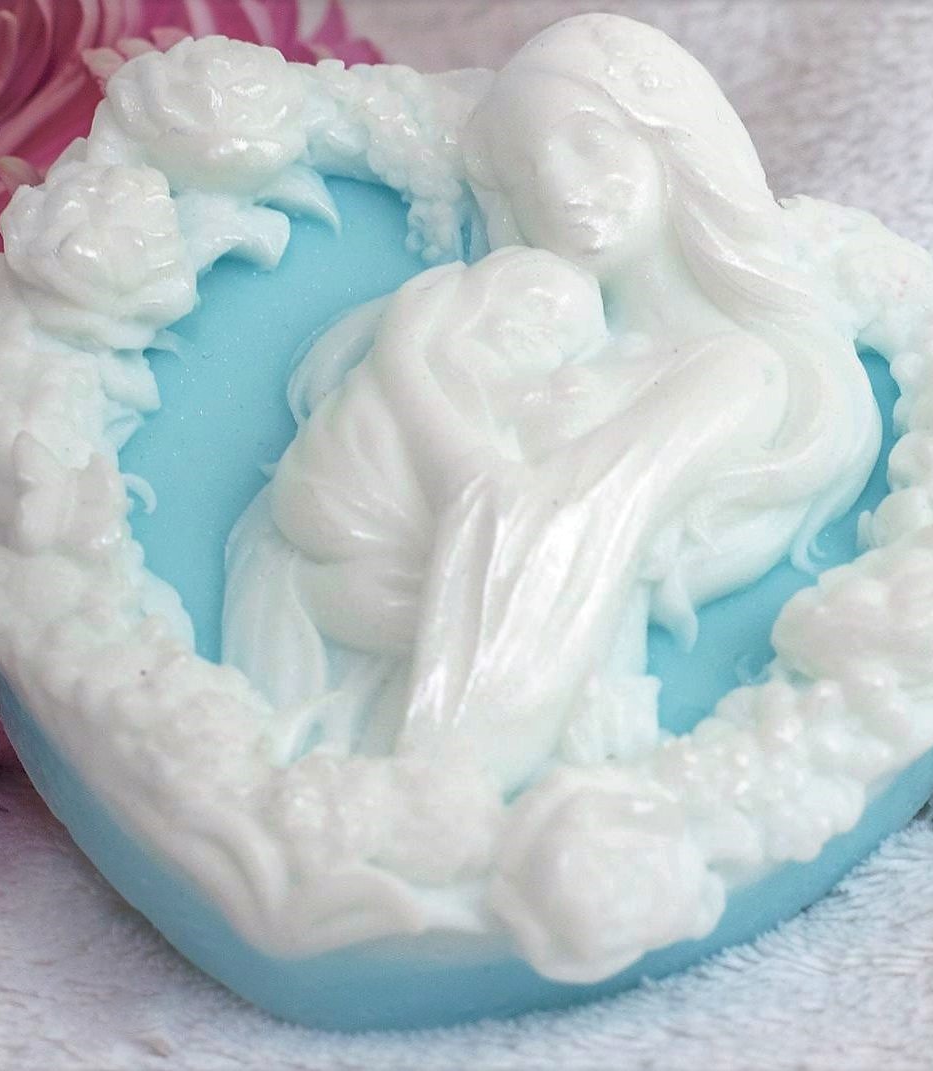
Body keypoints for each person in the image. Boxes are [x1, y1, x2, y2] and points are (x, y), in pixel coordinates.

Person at [223, 14, 880, 792]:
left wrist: (404, 369)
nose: (562, 189)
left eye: (590, 142)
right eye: (527, 171)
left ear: (674, 145)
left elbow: (544, 527)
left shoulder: (738, 372)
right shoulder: (511, 320)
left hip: (481, 740)